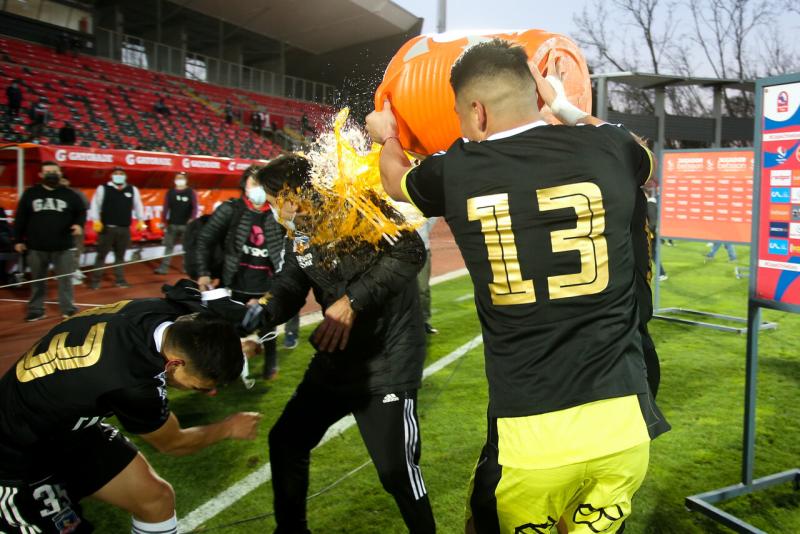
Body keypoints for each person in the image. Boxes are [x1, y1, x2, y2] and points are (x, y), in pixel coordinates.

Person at [368, 40, 669, 533]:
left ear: (477, 112)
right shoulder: (608, 149)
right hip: (624, 424)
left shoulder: (459, 169)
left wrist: (388, 136)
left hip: (531, 436)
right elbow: (640, 150)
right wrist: (565, 106)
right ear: (537, 95)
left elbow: (396, 181)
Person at [253, 155, 436, 534]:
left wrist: (352, 301)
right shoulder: (300, 229)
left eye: (273, 199)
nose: (271, 209)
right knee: (286, 440)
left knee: (396, 472)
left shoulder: (357, 206)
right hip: (337, 360)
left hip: (386, 359)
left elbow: (411, 251)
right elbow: (291, 282)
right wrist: (263, 311)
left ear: (294, 195)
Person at [0, 290, 261, 534]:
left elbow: (211, 309)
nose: (206, 393)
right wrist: (229, 427)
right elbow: (173, 443)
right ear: (174, 364)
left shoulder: (170, 314)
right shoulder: (134, 380)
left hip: (65, 423)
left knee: (156, 498)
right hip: (14, 445)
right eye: (200, 388)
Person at [195, 166, 286, 381]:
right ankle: (228, 369)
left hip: (266, 285)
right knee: (227, 331)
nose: (258, 189)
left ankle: (270, 365)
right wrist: (203, 272)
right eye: (254, 183)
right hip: (233, 284)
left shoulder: (279, 212)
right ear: (244, 185)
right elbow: (204, 239)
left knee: (268, 329)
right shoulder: (231, 209)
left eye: (262, 184)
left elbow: (289, 250)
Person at [13, 161, 86, 321]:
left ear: (60, 174)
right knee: (37, 280)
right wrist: (18, 240)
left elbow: (81, 211)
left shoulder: (69, 194)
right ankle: (36, 310)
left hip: (64, 246)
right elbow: (20, 218)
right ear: (40, 175)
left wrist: (78, 224)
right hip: (36, 247)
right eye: (47, 171)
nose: (51, 174)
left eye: (54, 171)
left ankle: (68, 309)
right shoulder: (31, 193)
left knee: (65, 280)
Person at [88, 167, 146, 289]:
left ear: (125, 176)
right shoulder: (103, 188)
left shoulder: (132, 189)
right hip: (107, 229)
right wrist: (96, 220)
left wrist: (141, 219)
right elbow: (95, 205)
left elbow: (138, 205)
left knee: (120, 256)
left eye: (121, 174)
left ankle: (120, 280)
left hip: (124, 229)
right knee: (101, 256)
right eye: (116, 173)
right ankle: (95, 281)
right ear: (111, 176)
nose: (119, 175)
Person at [155, 172, 197, 275]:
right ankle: (164, 268)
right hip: (172, 224)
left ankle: (186, 268)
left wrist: (192, 219)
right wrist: (163, 221)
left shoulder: (191, 192)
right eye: (177, 178)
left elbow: (195, 207)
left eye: (181, 178)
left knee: (186, 248)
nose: (179, 179)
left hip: (186, 225)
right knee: (168, 247)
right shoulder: (170, 192)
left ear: (186, 180)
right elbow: (165, 208)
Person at [60, 175, 90, 285]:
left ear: (68, 181)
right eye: (61, 180)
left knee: (77, 249)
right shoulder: (53, 194)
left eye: (64, 180)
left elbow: (86, 206)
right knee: (63, 251)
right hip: (60, 229)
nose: (63, 182)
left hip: (75, 227)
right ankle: (65, 273)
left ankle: (75, 270)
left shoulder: (76, 193)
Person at [416, 217, 439, 334]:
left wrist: (423, 233)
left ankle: (423, 322)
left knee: (423, 288)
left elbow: (433, 216)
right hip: (399, 251)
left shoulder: (420, 200)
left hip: (423, 249)